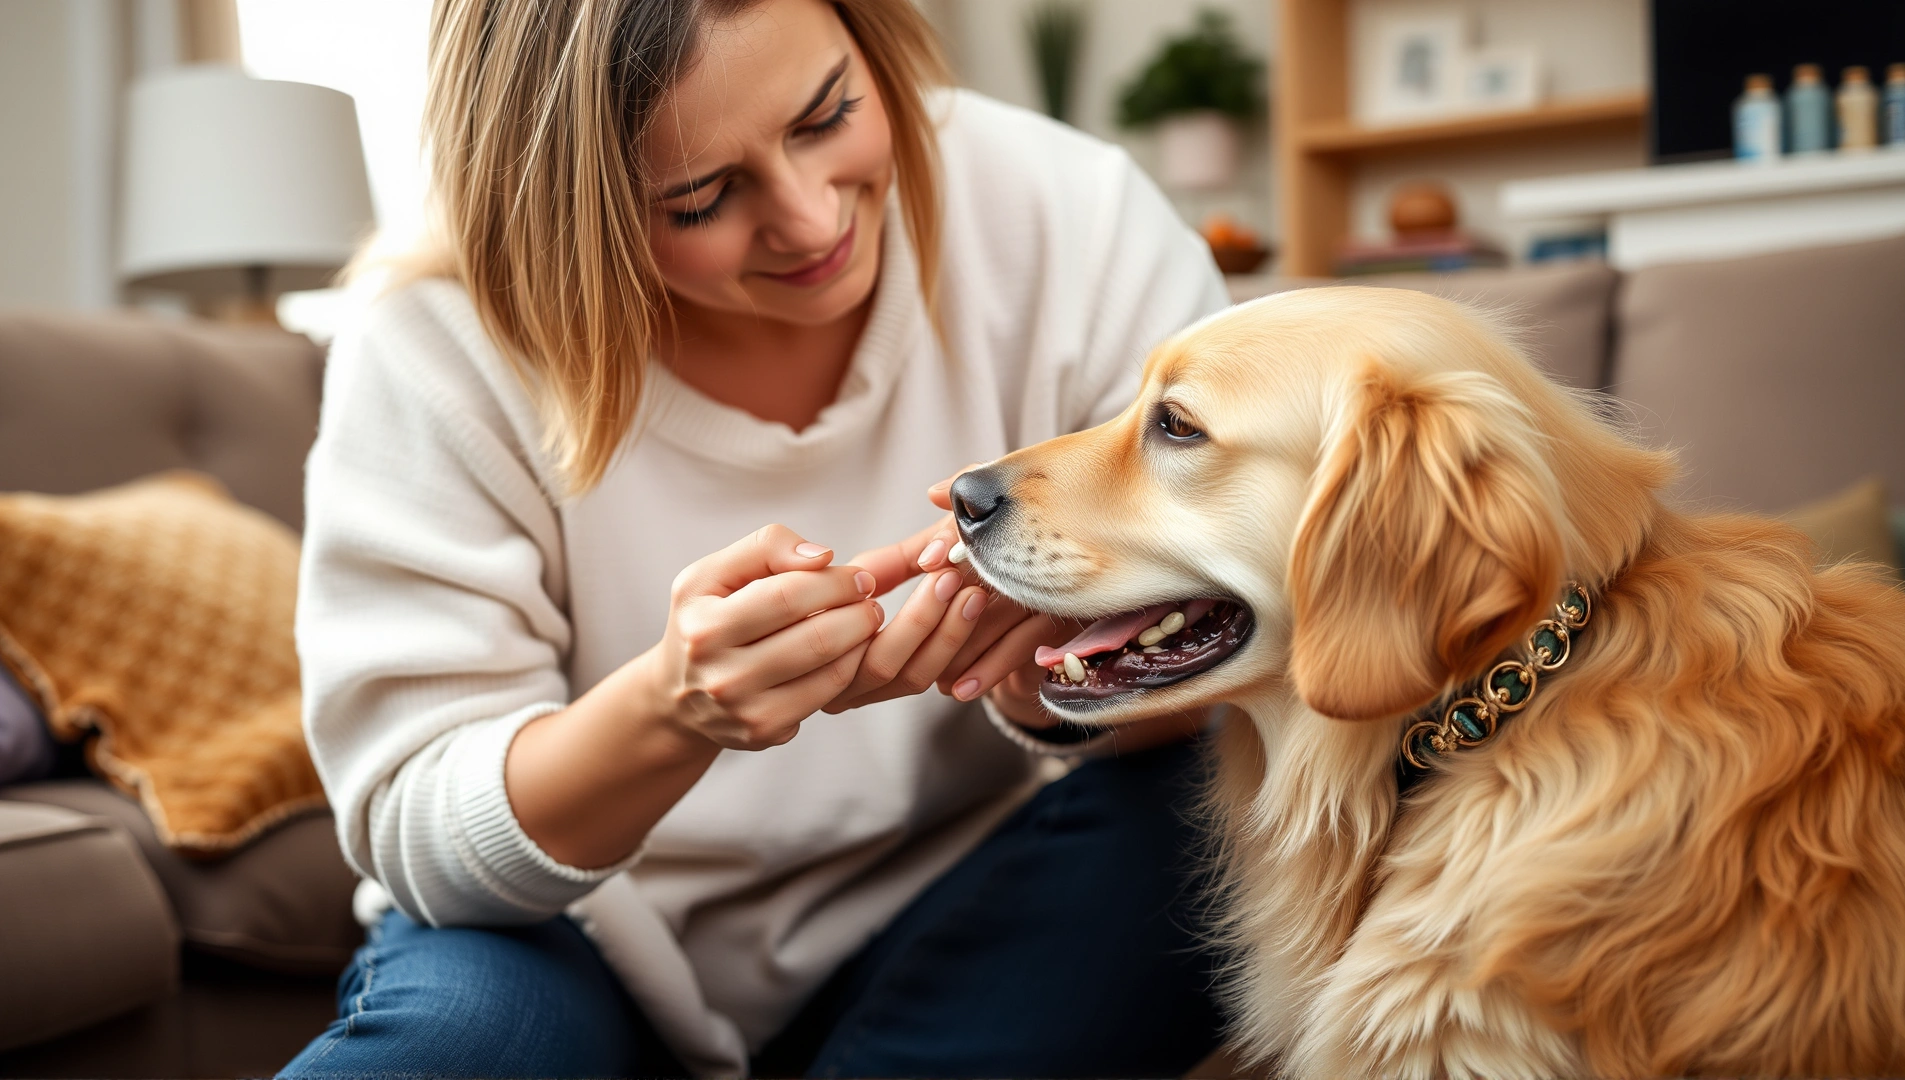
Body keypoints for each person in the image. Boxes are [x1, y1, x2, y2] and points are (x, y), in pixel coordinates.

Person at [286, 0, 1231, 1075]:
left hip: (968, 915)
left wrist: (1057, 678)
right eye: (700, 198)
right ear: (568, 214)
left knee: (1259, 805)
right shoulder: (436, 341)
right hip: (568, 934)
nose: (812, 220)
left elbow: (1245, 627)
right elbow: (425, 838)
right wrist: (672, 709)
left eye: (828, 115)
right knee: (460, 1047)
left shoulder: (1068, 216)